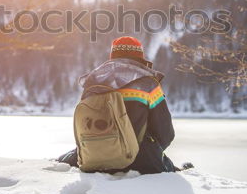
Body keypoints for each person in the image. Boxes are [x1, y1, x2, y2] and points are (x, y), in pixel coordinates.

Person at [57, 35, 192, 174]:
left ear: (113, 56)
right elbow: (165, 132)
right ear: (139, 57)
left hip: (93, 157)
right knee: (170, 166)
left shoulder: (92, 82)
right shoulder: (148, 84)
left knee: (62, 159)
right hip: (140, 161)